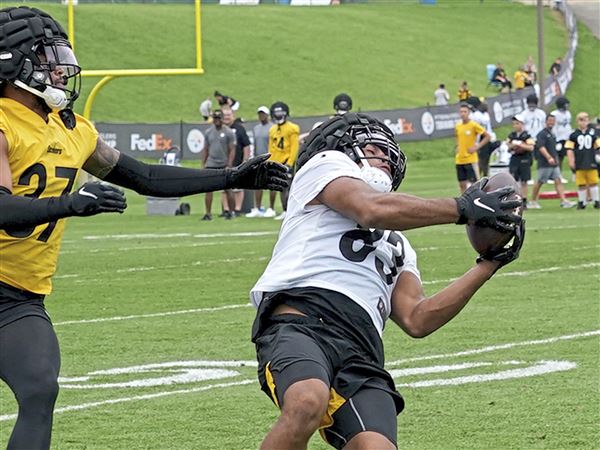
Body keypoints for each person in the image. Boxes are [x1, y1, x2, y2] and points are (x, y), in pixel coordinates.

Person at [0, 7, 289, 450]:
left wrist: (231, 178)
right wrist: (72, 204)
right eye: (46, 58)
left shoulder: (71, 129)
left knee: (39, 390)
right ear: (10, 62)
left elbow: (146, 177)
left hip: (19, 293)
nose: (60, 69)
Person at [250, 112, 524, 450]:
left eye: (387, 152)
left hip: (361, 348)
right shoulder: (322, 169)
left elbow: (417, 318)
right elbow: (369, 209)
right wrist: (462, 207)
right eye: (373, 148)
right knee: (307, 401)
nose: (384, 156)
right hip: (302, 322)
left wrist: (488, 265)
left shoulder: (399, 243)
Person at [529, 114, 575, 209]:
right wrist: (549, 157)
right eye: (549, 120)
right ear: (546, 121)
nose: (551, 123)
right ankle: (532, 201)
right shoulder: (542, 134)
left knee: (558, 180)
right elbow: (541, 147)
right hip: (545, 162)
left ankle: (564, 201)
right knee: (539, 182)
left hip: (554, 163)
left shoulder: (552, 134)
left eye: (553, 121)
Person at [201, 110, 236, 220]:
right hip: (211, 163)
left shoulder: (229, 132)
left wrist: (229, 164)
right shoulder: (208, 132)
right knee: (208, 189)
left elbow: (232, 150)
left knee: (228, 189)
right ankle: (208, 213)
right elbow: (206, 149)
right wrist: (203, 163)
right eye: (215, 118)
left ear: (222, 119)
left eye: (219, 118)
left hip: (223, 164)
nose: (217, 120)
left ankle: (231, 212)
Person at [267, 101, 299, 220]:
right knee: (280, 187)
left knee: (287, 187)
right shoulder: (272, 129)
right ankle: (285, 210)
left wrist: (290, 163)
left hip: (286, 162)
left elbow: (294, 147)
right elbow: (271, 148)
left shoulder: (292, 128)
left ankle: (288, 210)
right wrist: (270, 161)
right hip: (277, 162)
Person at [565, 112, 600, 209]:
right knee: (581, 183)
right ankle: (582, 202)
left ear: (588, 121)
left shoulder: (592, 134)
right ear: (577, 122)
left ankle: (596, 201)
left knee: (593, 182)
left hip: (591, 160)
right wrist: (571, 160)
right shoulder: (573, 135)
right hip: (580, 161)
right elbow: (569, 149)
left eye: (585, 120)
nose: (583, 123)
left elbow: (598, 146)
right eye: (581, 120)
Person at [455, 103, 490, 193]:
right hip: (460, 159)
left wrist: (477, 147)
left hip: (470, 159)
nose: (463, 114)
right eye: (461, 112)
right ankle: (463, 203)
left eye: (465, 112)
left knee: (474, 183)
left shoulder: (473, 125)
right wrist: (457, 146)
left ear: (469, 113)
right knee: (462, 183)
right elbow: (457, 137)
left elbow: (487, 136)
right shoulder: (458, 125)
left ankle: (477, 201)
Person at [222, 106, 251, 216]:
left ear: (233, 116)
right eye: (224, 116)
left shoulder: (239, 128)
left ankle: (237, 209)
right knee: (223, 187)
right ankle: (226, 209)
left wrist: (245, 160)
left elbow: (246, 145)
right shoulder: (219, 128)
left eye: (228, 115)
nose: (227, 118)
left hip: (238, 161)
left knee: (238, 188)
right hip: (223, 162)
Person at [247, 106, 275, 218]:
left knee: (271, 184)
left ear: (267, 115)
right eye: (259, 114)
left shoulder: (272, 127)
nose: (261, 116)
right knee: (258, 184)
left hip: (271, 158)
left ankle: (271, 208)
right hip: (258, 159)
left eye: (263, 114)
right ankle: (257, 208)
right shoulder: (256, 128)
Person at [507, 114, 535, 208]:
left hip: (524, 159)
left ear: (522, 124)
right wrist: (514, 145)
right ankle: (514, 199)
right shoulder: (512, 135)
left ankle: (524, 200)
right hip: (515, 158)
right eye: (514, 124)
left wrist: (520, 144)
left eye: (517, 123)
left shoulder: (527, 135)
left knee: (524, 181)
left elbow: (530, 147)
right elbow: (508, 145)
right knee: (513, 180)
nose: (515, 126)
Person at [471, 101, 497, 177]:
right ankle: (478, 175)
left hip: (488, 138)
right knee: (481, 158)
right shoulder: (476, 115)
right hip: (480, 138)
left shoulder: (485, 114)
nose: (485, 106)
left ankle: (485, 174)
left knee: (486, 158)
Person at [550, 96, 573, 179]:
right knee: (559, 157)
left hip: (567, 137)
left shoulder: (568, 113)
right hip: (558, 138)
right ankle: (557, 175)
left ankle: (574, 173)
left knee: (571, 155)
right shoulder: (554, 114)